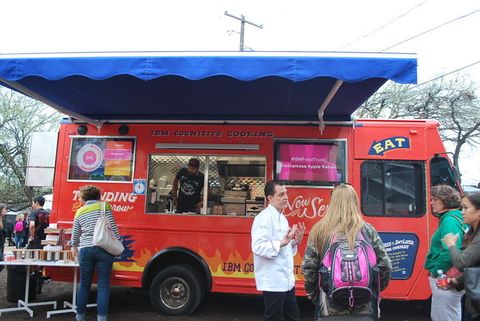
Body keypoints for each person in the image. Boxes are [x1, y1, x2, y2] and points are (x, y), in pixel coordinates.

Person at [301, 183, 392, 321]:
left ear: (332, 203)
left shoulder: (319, 230)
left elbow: (309, 269)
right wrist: (372, 290)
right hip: (364, 307)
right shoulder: (367, 230)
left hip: (329, 308)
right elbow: (385, 265)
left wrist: (315, 295)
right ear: (355, 202)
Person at [251, 180, 306, 321]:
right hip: (273, 281)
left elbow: (286, 247)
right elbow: (258, 247)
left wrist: (296, 241)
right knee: (273, 317)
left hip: (287, 281)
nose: (286, 197)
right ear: (270, 198)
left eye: (286, 194)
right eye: (281, 194)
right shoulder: (263, 219)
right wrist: (283, 242)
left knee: (293, 316)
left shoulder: (283, 218)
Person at [71, 185, 120, 321]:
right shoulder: (105, 207)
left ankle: (80, 317)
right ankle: (101, 318)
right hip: (104, 249)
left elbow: (75, 235)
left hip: (85, 250)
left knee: (84, 285)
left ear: (84, 198)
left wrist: (74, 246)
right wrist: (118, 243)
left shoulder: (79, 212)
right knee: (103, 285)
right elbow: (113, 229)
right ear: (98, 196)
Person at [424, 184, 465, 321]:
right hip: (455, 276)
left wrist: (436, 273)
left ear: (445, 201)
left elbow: (449, 251)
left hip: (445, 277)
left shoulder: (449, 220)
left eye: (435, 199)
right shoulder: (458, 217)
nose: (431, 202)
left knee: (443, 316)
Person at [442, 192, 480, 321]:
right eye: (461, 208)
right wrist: (457, 281)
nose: (462, 212)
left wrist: (451, 244)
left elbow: (462, 263)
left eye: (466, 208)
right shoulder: (472, 231)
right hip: (473, 300)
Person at [0, 204, 7, 272]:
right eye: (4, 209)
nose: (5, 211)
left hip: (1, 244)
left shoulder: (2, 220)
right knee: (1, 264)